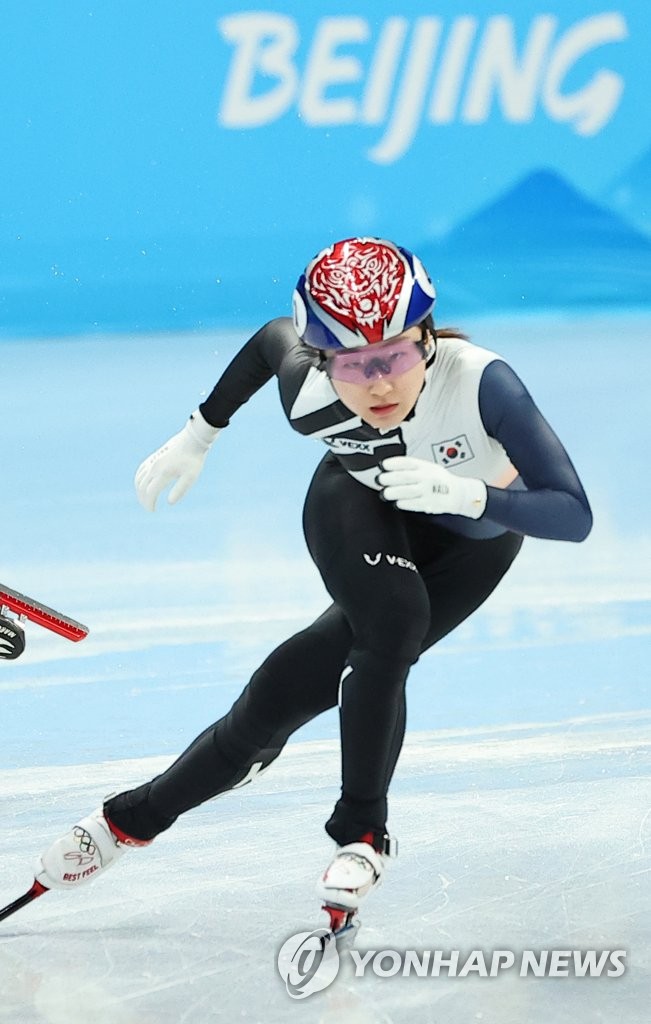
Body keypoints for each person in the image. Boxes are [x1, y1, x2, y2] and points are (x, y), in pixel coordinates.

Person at [33, 237, 592, 929]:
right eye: (356, 366)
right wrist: (199, 433)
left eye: (395, 355)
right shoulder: (309, 384)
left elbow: (572, 516)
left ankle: (325, 828)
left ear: (425, 339)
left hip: (471, 541)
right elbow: (273, 340)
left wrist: (466, 494)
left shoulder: (483, 384)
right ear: (326, 360)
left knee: (311, 676)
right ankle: (144, 822)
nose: (380, 383)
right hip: (357, 502)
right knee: (342, 656)